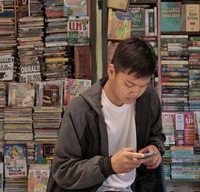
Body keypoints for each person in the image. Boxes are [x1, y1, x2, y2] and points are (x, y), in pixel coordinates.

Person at [47, 37, 166, 192]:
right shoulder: (80, 110)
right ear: (111, 71)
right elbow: (63, 171)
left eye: (143, 85)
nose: (136, 92)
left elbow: (157, 136)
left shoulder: (149, 98)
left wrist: (155, 149)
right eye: (129, 84)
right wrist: (108, 166)